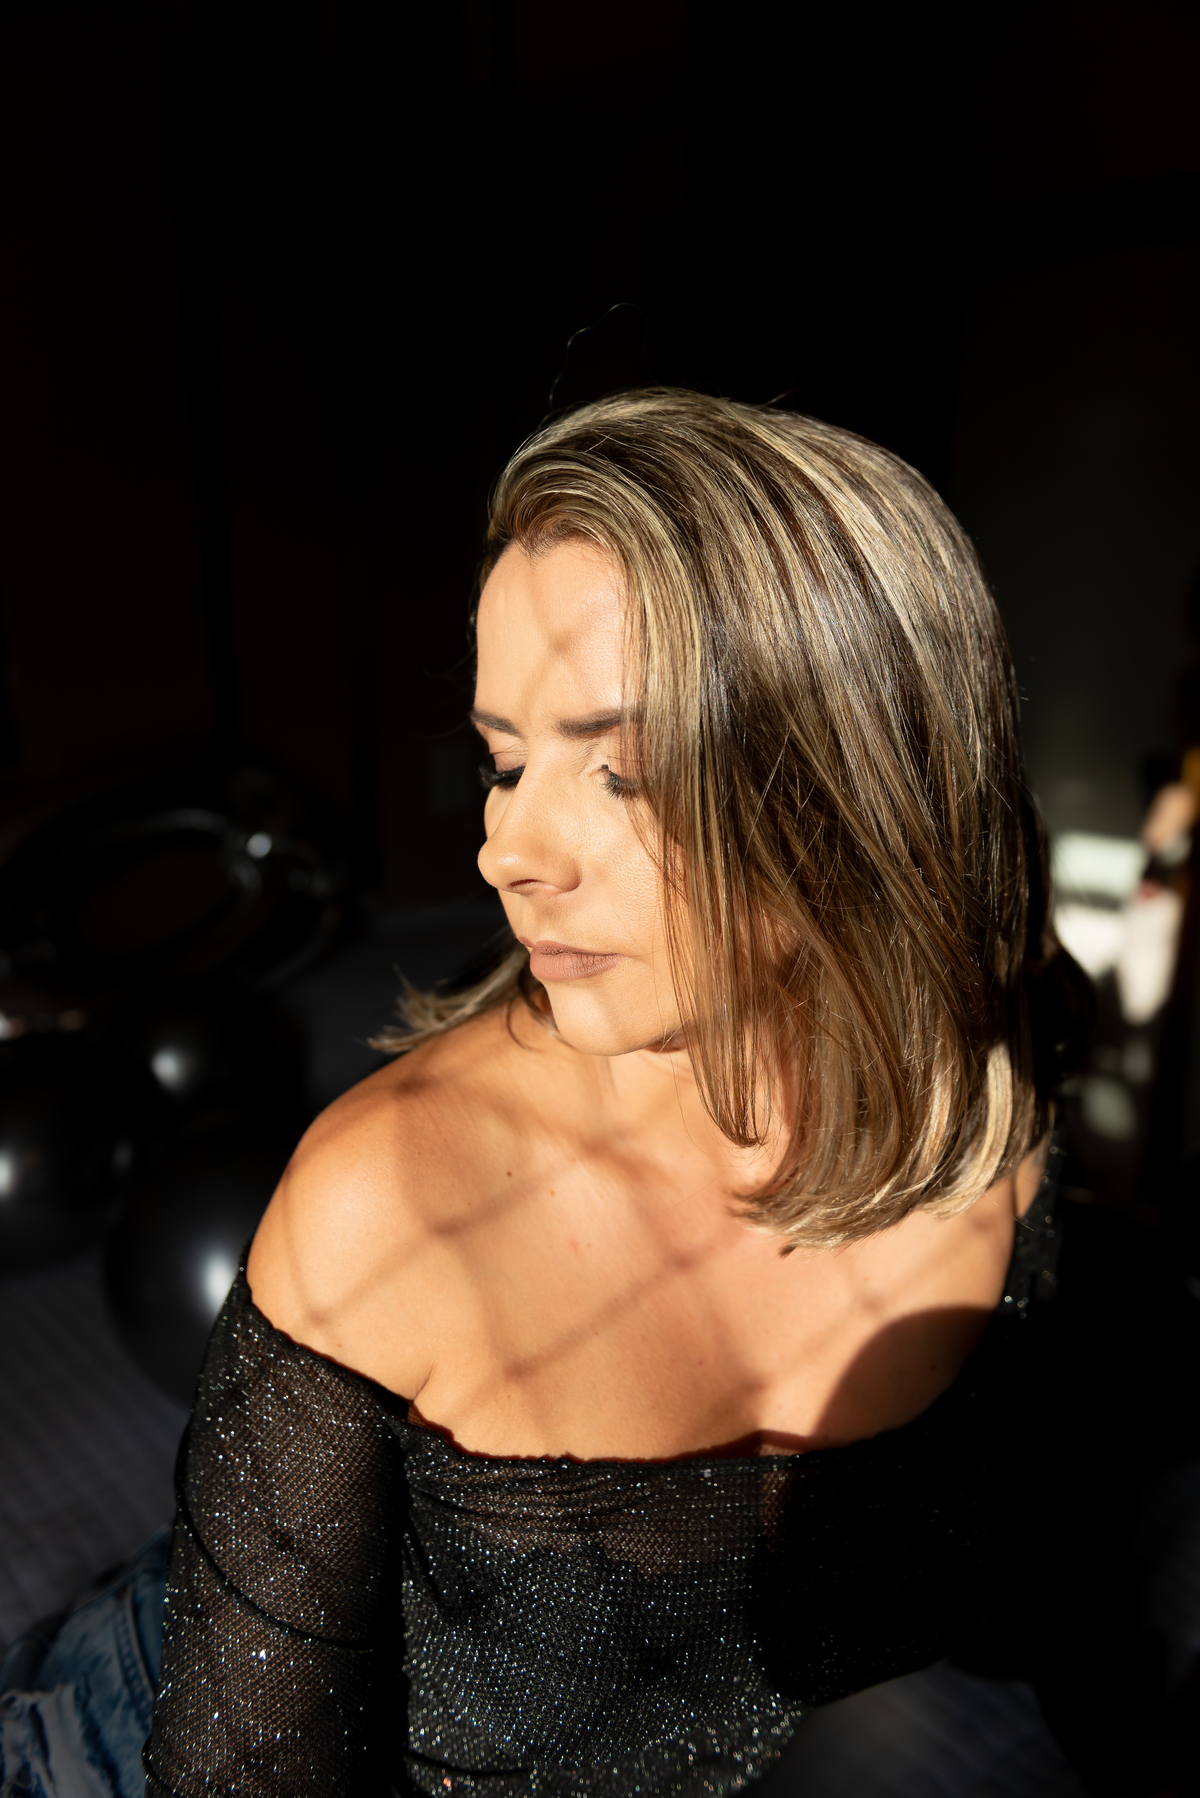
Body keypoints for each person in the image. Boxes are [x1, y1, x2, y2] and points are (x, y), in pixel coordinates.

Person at [3, 391, 1181, 1796]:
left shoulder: (1001, 1077)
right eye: (504, 759)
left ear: (861, 783)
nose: (505, 848)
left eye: (617, 769)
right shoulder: (394, 1201)